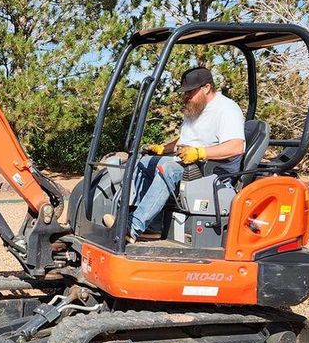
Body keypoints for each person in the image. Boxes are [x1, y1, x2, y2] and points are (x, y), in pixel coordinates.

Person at [104, 66, 246, 241]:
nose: (186, 96)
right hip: (192, 164)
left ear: (207, 88)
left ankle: (133, 227)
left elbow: (236, 147)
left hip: (214, 172)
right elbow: (186, 140)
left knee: (168, 169)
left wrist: (200, 153)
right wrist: (163, 148)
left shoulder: (227, 109)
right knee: (145, 163)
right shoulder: (196, 107)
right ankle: (153, 227)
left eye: (190, 91)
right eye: (185, 92)